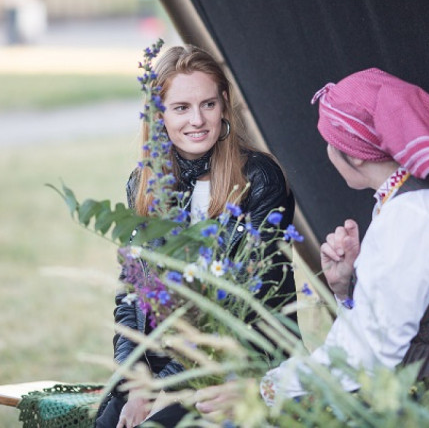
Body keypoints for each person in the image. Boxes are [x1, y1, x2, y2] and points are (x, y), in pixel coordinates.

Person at [195, 67, 429, 413]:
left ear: (354, 154)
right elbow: (385, 319)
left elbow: (369, 353)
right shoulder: (411, 199)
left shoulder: (413, 216)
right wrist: (345, 288)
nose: (326, 149)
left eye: (329, 139)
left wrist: (265, 390)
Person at [95, 44, 298, 428]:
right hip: (158, 367)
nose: (197, 120)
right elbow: (132, 297)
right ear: (160, 115)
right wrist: (137, 383)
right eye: (181, 107)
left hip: (242, 367)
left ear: (224, 105)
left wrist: (176, 389)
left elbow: (255, 305)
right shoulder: (144, 184)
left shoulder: (259, 179)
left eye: (207, 104)